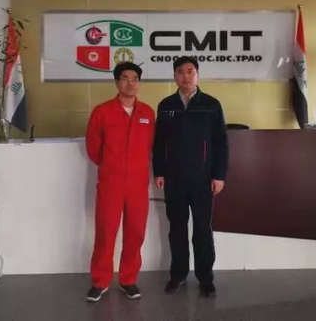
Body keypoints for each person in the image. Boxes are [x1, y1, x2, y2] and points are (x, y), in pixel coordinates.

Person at [152, 56, 228, 298]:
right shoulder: (166, 105)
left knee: (203, 228)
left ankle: (206, 278)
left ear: (197, 75)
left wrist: (219, 175)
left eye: (190, 71)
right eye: (180, 72)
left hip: (203, 179)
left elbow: (221, 143)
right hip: (173, 179)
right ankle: (178, 275)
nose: (185, 76)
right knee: (177, 228)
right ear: (174, 76)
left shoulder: (211, 105)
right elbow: (158, 142)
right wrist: (159, 171)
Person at [84, 62, 155, 303]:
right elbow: (94, 149)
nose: (131, 83)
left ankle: (128, 279)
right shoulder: (102, 112)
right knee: (106, 232)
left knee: (135, 233)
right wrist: (111, 167)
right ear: (117, 82)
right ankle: (100, 281)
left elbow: (150, 145)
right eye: (125, 78)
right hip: (111, 183)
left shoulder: (147, 113)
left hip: (138, 184)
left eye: (135, 79)